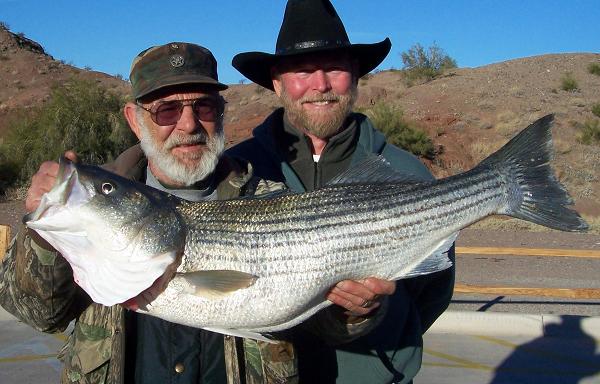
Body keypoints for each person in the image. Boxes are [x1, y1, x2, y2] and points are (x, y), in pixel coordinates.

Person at [0, 41, 393, 384]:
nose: (188, 125)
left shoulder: (274, 198)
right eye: (166, 110)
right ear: (134, 120)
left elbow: (315, 328)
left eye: (203, 106)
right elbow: (38, 313)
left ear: (221, 113)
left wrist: (355, 310)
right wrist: (43, 228)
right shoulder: (91, 208)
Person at [228, 0, 456, 383]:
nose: (321, 85)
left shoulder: (406, 172)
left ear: (354, 77)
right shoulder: (238, 170)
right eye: (302, 70)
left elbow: (431, 291)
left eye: (334, 67)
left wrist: (379, 326)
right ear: (277, 82)